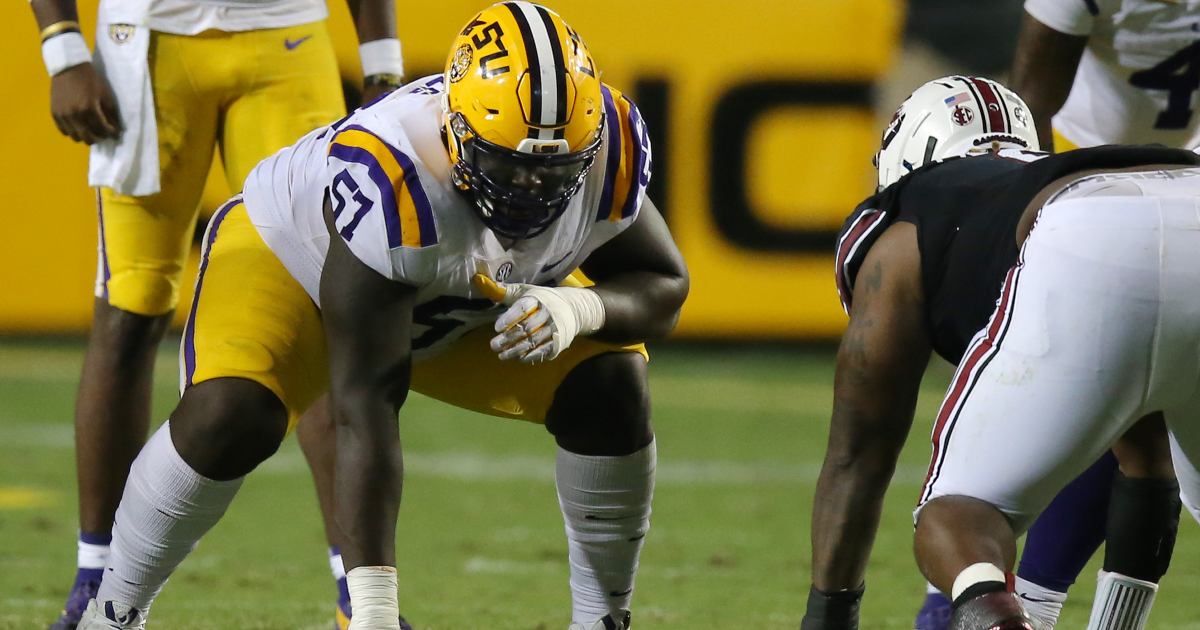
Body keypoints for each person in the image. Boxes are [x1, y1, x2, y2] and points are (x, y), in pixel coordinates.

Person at [74, 2, 688, 629]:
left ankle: (602, 620)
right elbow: (363, 409)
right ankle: (113, 612)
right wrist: (374, 613)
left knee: (611, 382)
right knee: (233, 413)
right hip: (295, 267)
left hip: (455, 301)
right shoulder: (396, 174)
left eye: (554, 170)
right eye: (508, 166)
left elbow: (665, 284)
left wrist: (578, 305)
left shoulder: (605, 142)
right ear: (455, 131)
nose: (531, 188)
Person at [28, 0, 404, 627]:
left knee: (316, 310)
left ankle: (357, 598)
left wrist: (384, 68)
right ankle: (97, 580)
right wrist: (62, 47)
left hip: (287, 40)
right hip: (147, 47)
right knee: (133, 302)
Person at [802, 76, 1195, 630]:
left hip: (1088, 229)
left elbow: (858, 453)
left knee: (955, 513)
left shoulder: (909, 213)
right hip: (1185, 182)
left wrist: (826, 617)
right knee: (1154, 452)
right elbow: (1148, 464)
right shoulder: (1059, 172)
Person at [910, 3, 1200, 626]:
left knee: (973, 489)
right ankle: (1028, 602)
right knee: (1141, 436)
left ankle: (998, 603)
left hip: (1100, 218)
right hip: (1092, 175)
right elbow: (1034, 99)